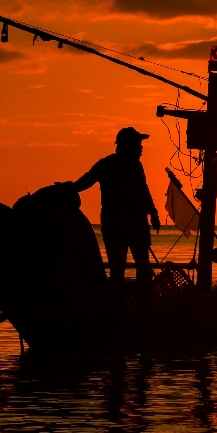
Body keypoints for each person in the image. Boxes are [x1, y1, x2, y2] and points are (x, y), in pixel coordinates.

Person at [74, 127, 160, 303]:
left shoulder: (129, 165)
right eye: (137, 144)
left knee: (133, 266)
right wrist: (69, 189)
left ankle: (135, 302)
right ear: (126, 145)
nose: (141, 148)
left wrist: (154, 213)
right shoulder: (110, 164)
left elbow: (144, 191)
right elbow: (86, 181)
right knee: (124, 266)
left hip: (126, 225)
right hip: (122, 226)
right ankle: (126, 302)